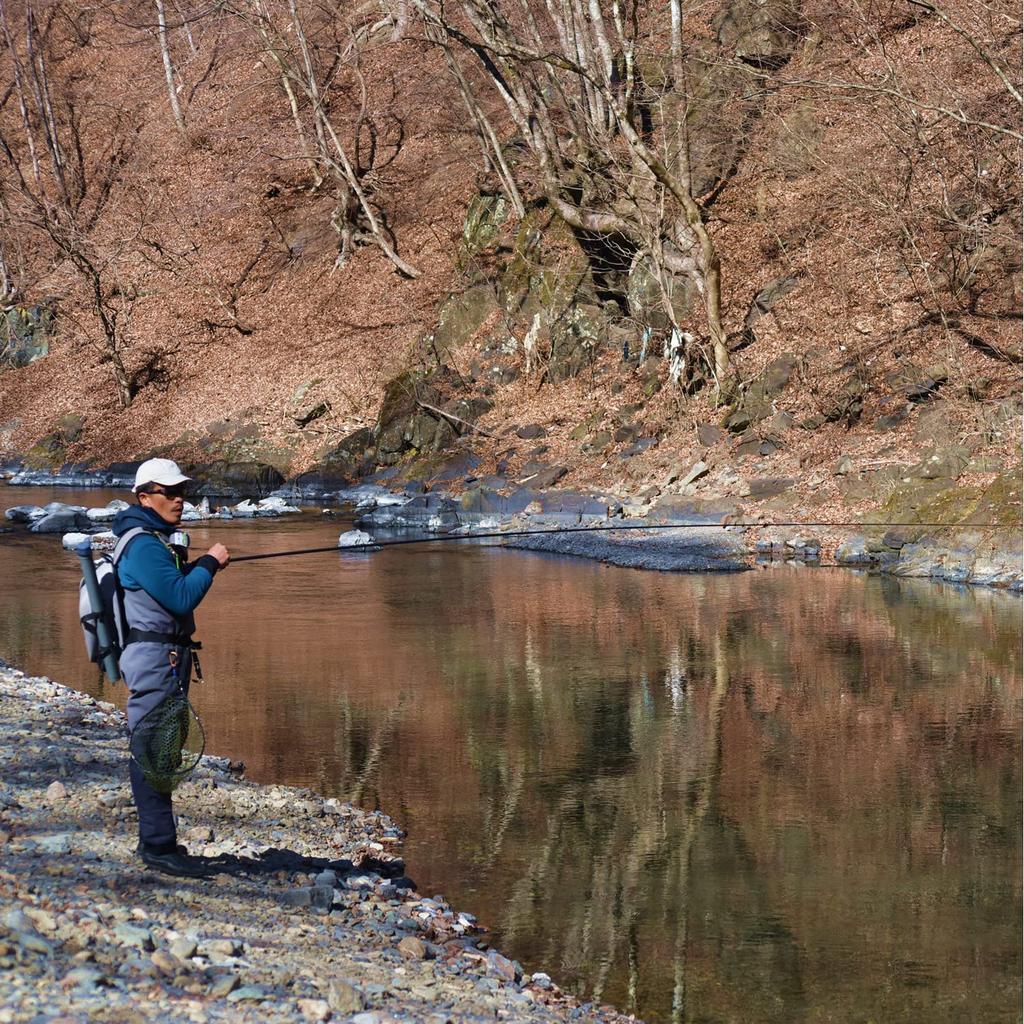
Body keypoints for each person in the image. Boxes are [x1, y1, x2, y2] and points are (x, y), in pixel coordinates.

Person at [111, 458, 230, 877]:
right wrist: (211, 562)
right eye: (170, 492)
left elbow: (173, 586)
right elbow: (181, 599)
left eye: (183, 492)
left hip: (167, 658)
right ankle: (158, 846)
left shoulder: (155, 540)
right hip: (154, 661)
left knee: (162, 745)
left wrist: (195, 564)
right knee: (152, 749)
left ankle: (159, 842)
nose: (180, 500)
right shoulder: (143, 544)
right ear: (144, 497)